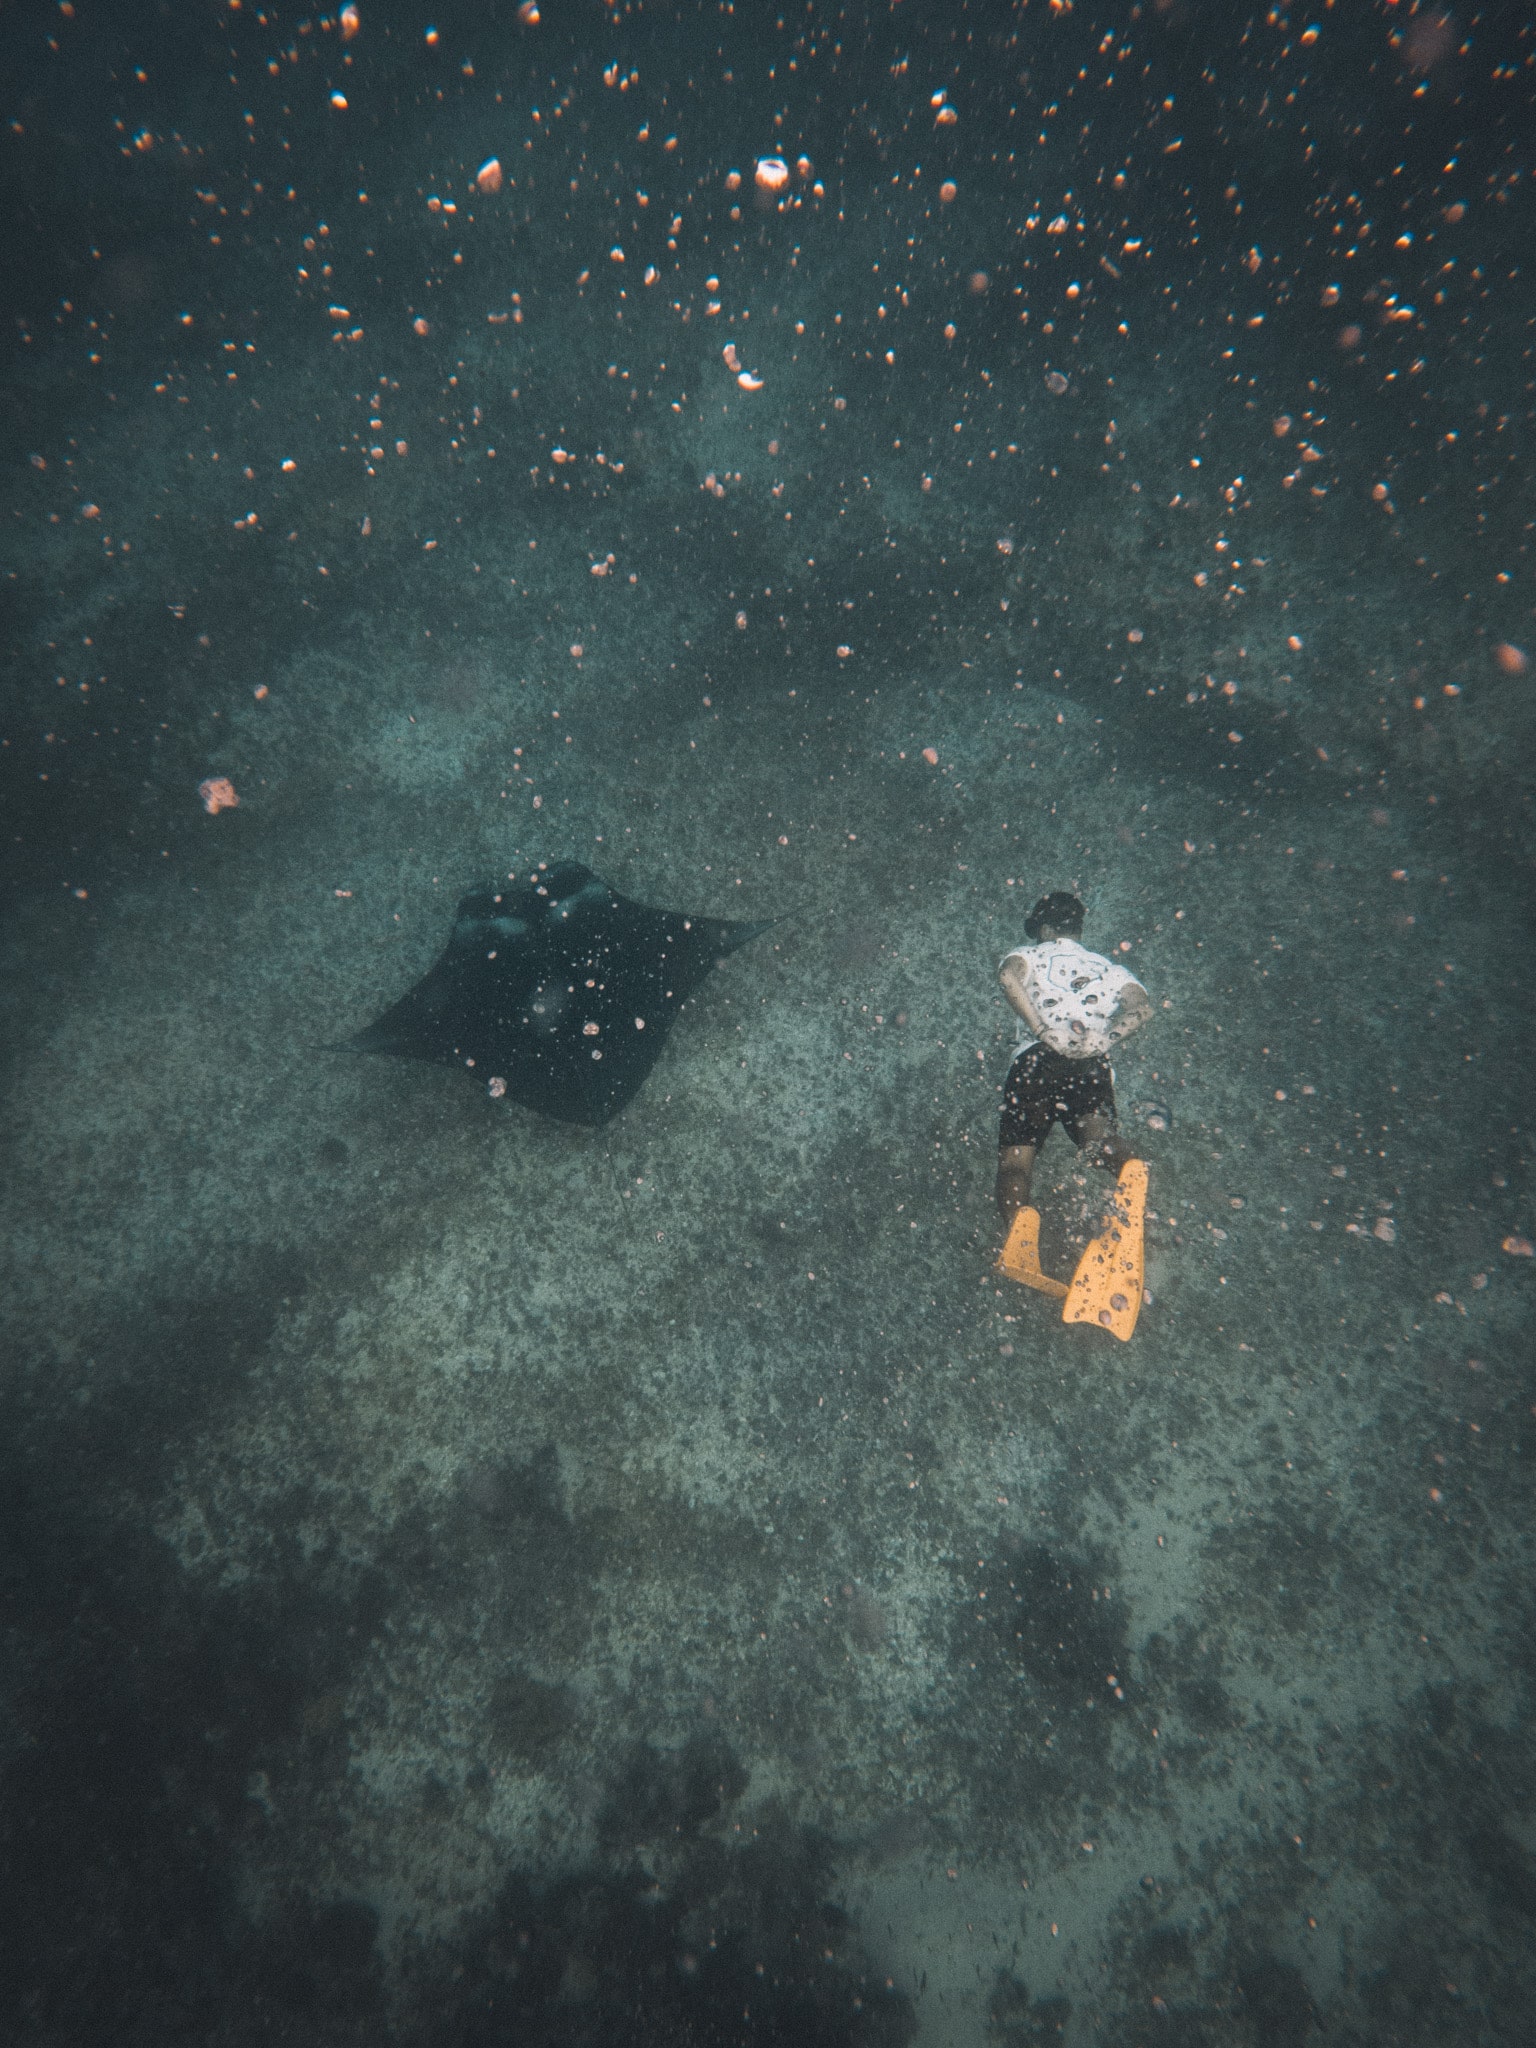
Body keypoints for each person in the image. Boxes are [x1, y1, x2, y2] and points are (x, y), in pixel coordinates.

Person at [994, 891, 1152, 1229]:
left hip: (1034, 1061)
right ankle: (1132, 1185)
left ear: (1047, 929)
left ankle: (1018, 1242)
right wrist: (1105, 1039)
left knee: (1016, 1163)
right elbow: (1143, 1007)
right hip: (1089, 1063)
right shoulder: (1110, 970)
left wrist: (1041, 1029)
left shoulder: (1030, 954)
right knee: (1100, 1142)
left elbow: (1008, 976)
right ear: (1077, 930)